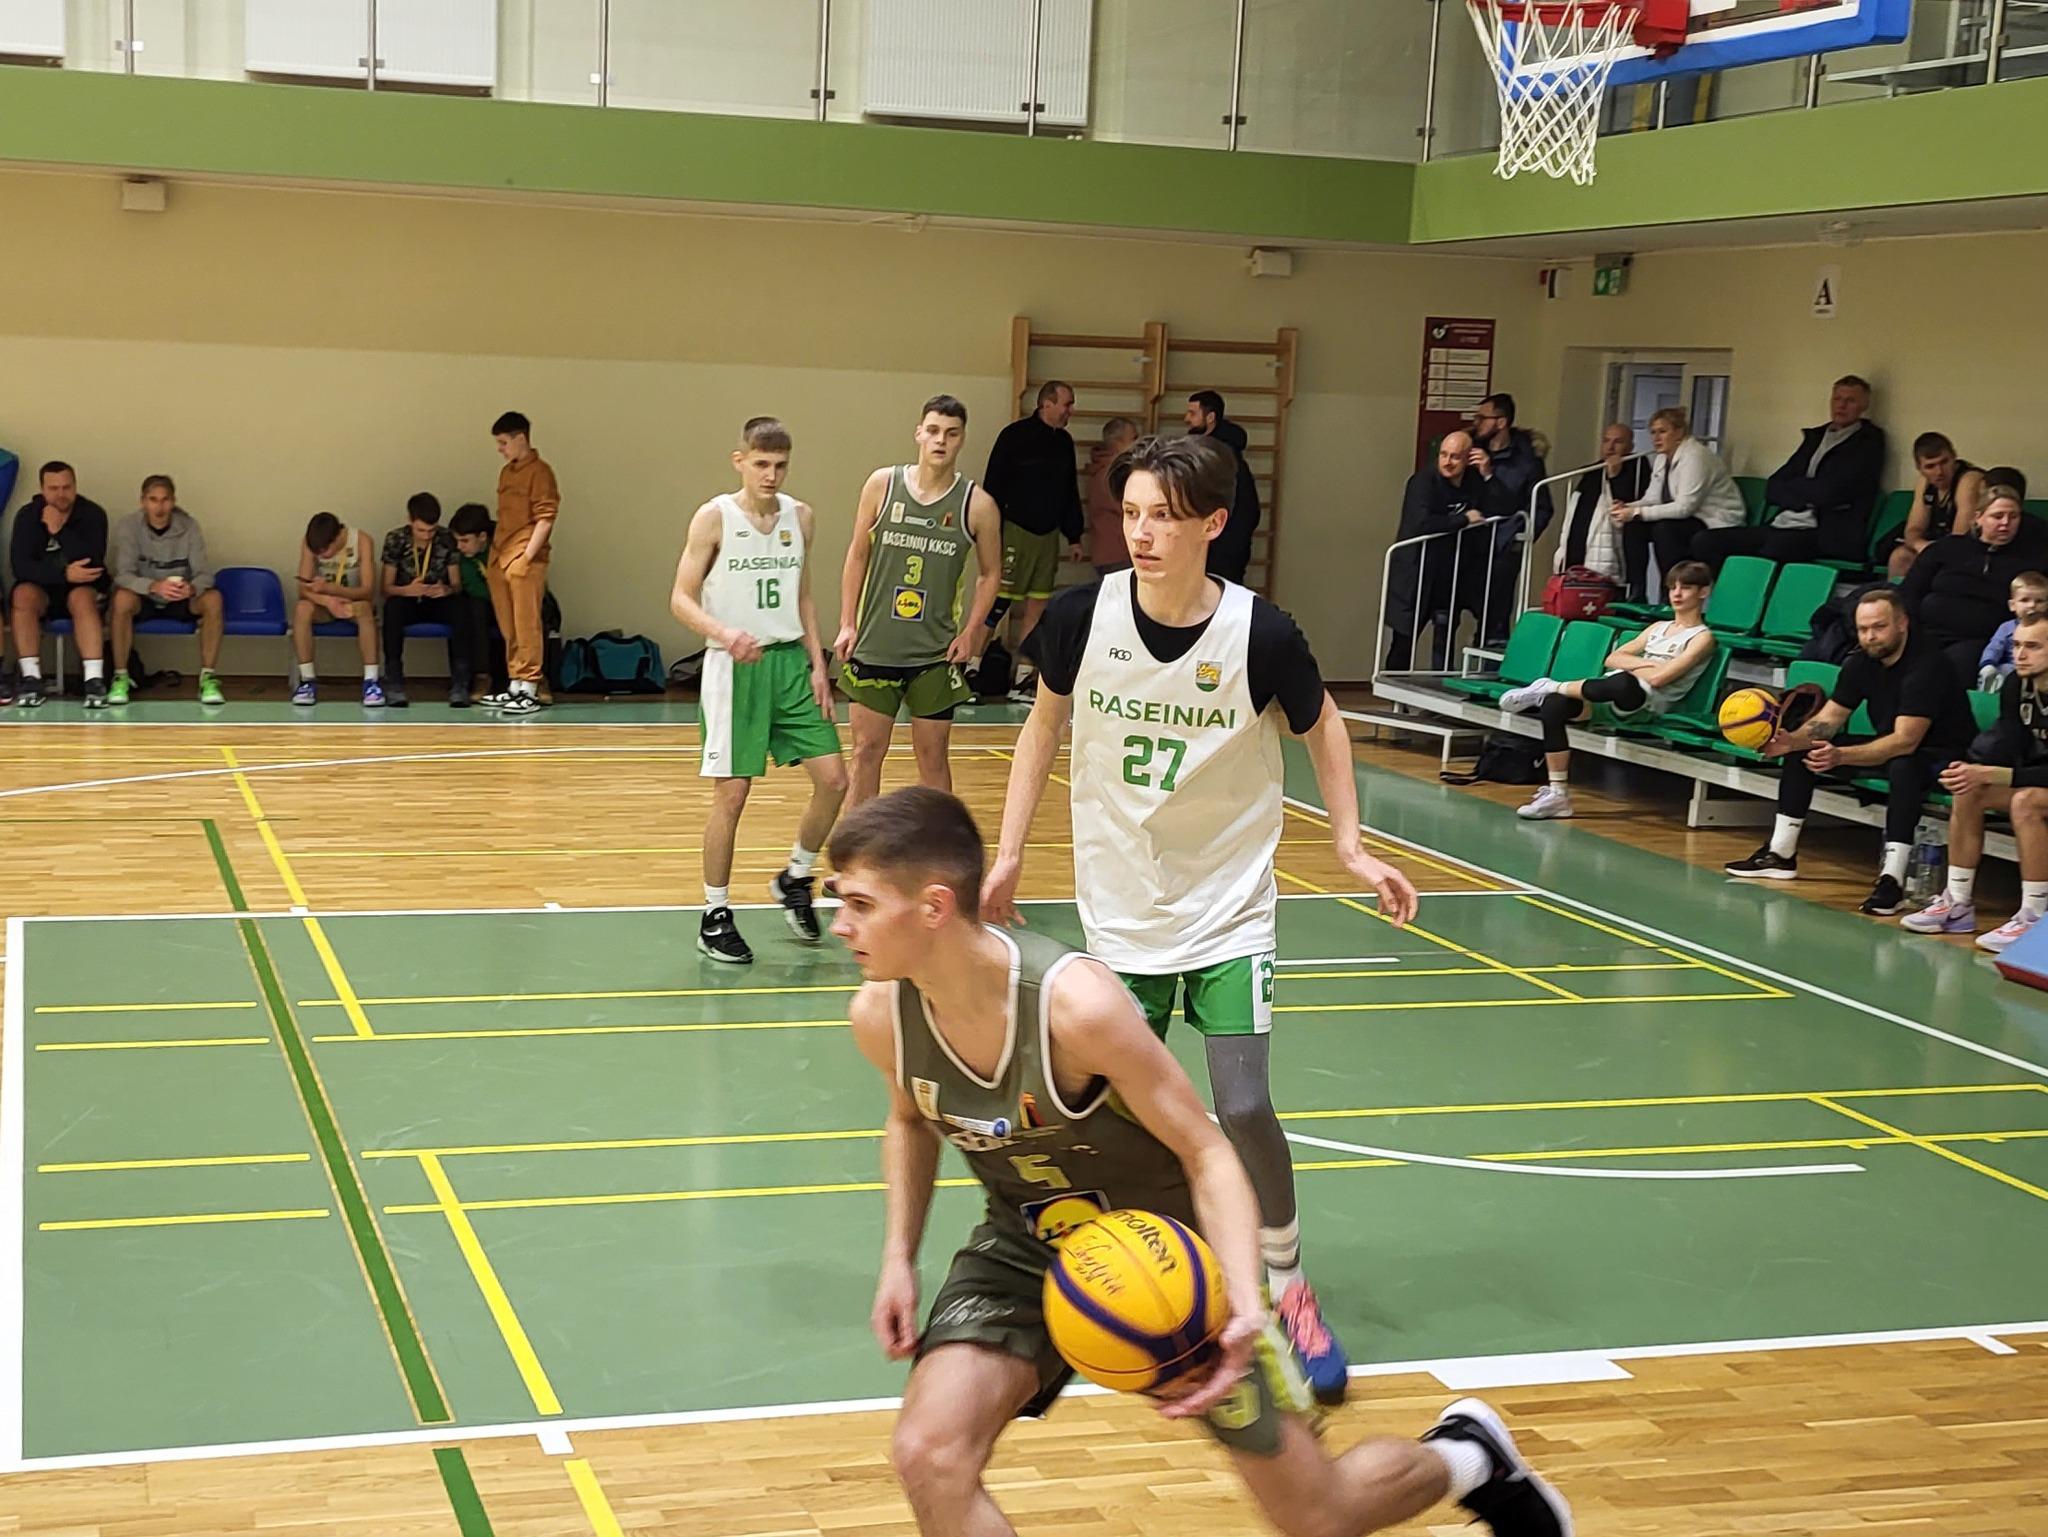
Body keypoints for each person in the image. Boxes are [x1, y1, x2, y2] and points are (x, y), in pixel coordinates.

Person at [833, 787, 1571, 1537]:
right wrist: (898, 1259)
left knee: (1319, 1516)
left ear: (933, 905)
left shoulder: (1075, 1007)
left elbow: (1206, 1149)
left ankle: (1469, 1457)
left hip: (1175, 1259)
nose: (840, 924)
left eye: (860, 904)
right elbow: (909, 1120)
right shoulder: (881, 1015)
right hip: (1026, 1247)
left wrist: (1244, 1301)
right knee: (929, 1455)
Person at [983, 433, 1422, 1405]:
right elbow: (1042, 727)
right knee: (1111, 1111)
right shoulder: (1079, 617)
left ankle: (1287, 1282)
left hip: (1228, 904)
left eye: (1164, 517)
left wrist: (1349, 845)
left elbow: (1325, 726)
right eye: (1132, 514)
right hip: (1120, 907)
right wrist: (1008, 852)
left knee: (1243, 1104)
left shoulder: (1260, 635)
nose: (1141, 533)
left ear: (1213, 524)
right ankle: (1131, 1279)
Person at [669, 416, 849, 965]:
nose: (771, 475)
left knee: (835, 780)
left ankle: (795, 877)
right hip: (734, 666)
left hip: (791, 663)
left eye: (780, 465)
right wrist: (723, 633)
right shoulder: (714, 517)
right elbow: (680, 598)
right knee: (732, 795)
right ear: (740, 461)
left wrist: (818, 664)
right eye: (761, 463)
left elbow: (803, 595)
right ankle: (715, 914)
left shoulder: (801, 517)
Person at [1726, 587, 1973, 915]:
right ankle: (1780, 853)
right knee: (1806, 751)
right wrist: (1792, 741)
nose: (1870, 636)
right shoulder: (1861, 661)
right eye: (1863, 629)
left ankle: (1892, 879)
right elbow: (1830, 719)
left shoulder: (1928, 666)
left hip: (1942, 756)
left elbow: (1906, 741)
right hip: (1891, 744)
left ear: (1902, 623)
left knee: (1904, 766)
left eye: (1879, 627)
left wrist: (1841, 756)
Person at [833, 394, 1003, 809]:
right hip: (876, 644)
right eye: (933, 431)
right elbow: (858, 553)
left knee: (933, 756)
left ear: (962, 439)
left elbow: (990, 574)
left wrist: (972, 631)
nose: (941, 441)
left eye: (951, 433)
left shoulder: (978, 505)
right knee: (866, 752)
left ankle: (941, 843)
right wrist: (847, 622)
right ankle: (859, 846)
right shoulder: (882, 485)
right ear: (918, 434)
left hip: (935, 653)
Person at [1501, 561, 1718, 821]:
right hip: (1608, 693)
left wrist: (1638, 667)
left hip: (1644, 704)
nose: (1677, 594)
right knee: (1555, 705)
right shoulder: (1657, 628)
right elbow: (1613, 659)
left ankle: (1547, 686)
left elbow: (1660, 679)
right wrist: (1649, 664)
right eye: (1673, 587)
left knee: (1623, 682)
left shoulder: (1702, 637)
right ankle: (1558, 795)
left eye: (1686, 588)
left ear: (1704, 592)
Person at [1903, 613, 2048, 952]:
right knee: (1969, 790)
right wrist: (1971, 768)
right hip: (2037, 780)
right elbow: (2009, 739)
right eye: (2016, 645)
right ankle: (1957, 902)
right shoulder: (2017, 685)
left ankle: (2034, 915)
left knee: (2024, 801)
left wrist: (1994, 775)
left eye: (2033, 646)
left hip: (2037, 788)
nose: (2020, 655)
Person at [1695, 376, 1886, 569]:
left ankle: (1755, 589)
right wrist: (1805, 497)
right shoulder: (1816, 437)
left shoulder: (1868, 442)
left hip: (1826, 532)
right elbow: (1774, 486)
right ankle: (1721, 587)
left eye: (1850, 401)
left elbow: (1832, 491)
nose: (1841, 406)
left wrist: (1797, 490)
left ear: (1864, 406)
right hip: (1782, 523)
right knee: (1706, 541)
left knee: (1776, 549)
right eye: (1837, 399)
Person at [979, 382, 1084, 701]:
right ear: (1047, 403)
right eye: (1067, 404)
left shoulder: (1064, 443)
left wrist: (1074, 535)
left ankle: (1023, 677)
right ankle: (970, 668)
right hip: (1014, 531)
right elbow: (992, 486)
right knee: (998, 602)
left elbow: (1069, 491)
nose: (1070, 410)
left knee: (1038, 605)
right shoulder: (1014, 436)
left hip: (1047, 535)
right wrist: (990, 533)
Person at [1385, 431, 1515, 670]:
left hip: (1452, 574)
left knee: (1445, 639)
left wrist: (1488, 475)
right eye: (1443, 455)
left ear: (1468, 458)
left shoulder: (1474, 481)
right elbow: (1421, 523)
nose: (1447, 462)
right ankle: (1392, 690)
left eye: (1455, 457)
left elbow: (1504, 509)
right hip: (1417, 572)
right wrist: (1463, 519)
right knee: (1403, 641)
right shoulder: (1423, 482)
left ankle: (1440, 686)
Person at [1898, 485, 2048, 684]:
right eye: (1997, 516)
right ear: (1979, 517)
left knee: (1945, 672)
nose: (2006, 522)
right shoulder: (1946, 548)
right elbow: (1909, 593)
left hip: (1980, 641)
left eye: (2013, 516)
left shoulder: (2033, 561)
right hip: (1924, 631)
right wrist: (1911, 631)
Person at [108, 473, 225, 706]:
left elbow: (205, 574)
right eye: (153, 500)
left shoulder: (189, 526)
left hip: (180, 597)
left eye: (165, 500)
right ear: (143, 501)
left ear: (173, 501)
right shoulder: (129, 526)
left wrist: (191, 588)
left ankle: (208, 678)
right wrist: (153, 586)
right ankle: (120, 677)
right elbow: (123, 575)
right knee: (121, 600)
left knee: (213, 599)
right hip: (145, 596)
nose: (159, 507)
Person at [1616, 407, 1744, 604]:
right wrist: (1627, 508)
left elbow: (1685, 507)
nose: (1656, 438)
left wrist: (1638, 512)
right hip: (1690, 519)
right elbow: (1652, 498)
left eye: (1662, 431)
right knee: (1634, 526)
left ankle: (1668, 591)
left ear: (1679, 432)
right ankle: (1637, 590)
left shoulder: (1695, 456)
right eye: (1653, 432)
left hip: (1716, 521)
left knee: (1665, 529)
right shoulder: (1662, 458)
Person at [10, 461, 109, 708]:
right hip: (42, 590)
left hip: (82, 589)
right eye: (53, 488)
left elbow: (92, 564)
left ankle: (94, 680)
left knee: (82, 598)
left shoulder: (92, 514)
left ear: (75, 486)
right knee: (22, 595)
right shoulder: (27, 516)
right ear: (42, 489)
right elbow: (21, 567)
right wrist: (64, 574)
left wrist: (59, 530)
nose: (61, 494)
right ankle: (31, 679)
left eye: (66, 487)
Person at [488, 410, 558, 715]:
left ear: (521, 438)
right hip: (500, 553)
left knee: (527, 623)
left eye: (504, 442)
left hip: (524, 555)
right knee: (509, 625)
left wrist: (527, 556)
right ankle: (515, 683)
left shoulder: (541, 472)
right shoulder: (507, 472)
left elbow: (546, 517)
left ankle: (530, 685)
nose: (500, 449)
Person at [1467, 393, 1552, 642]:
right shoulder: (1469, 449)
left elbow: (1542, 507)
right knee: (1451, 607)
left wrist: (1519, 539)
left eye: (1482, 418)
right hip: (1468, 541)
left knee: (1495, 614)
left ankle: (1490, 656)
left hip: (1503, 546)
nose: (1476, 423)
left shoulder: (1526, 461)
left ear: (1501, 422)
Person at [380, 492, 470, 708]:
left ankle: (460, 683)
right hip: (407, 600)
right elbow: (386, 588)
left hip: (437, 600)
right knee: (392, 609)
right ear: (410, 521)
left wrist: (446, 589)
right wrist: (407, 590)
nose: (427, 536)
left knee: (461, 607)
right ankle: (394, 681)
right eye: (421, 530)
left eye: (431, 530)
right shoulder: (396, 539)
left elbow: (457, 584)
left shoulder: (447, 538)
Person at [292, 512, 382, 707]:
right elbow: (303, 589)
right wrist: (328, 601)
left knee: (365, 610)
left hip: (353, 601)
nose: (321, 556)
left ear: (337, 537)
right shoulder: (310, 542)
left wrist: (333, 590)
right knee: (302, 608)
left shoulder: (362, 541)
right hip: (324, 604)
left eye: (325, 551)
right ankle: (307, 681)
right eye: (317, 552)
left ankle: (371, 682)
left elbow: (368, 591)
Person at [1555, 423, 1650, 587]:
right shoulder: (1593, 470)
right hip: (1582, 544)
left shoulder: (1639, 466)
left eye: (1618, 442)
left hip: (1624, 546)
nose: (1610, 447)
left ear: (1630, 446)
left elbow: (1627, 504)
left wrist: (1614, 475)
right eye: (1606, 441)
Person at [1185, 390, 1262, 583]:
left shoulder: (1221, 458)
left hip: (1223, 548)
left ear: (1210, 417)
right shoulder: (1207, 453)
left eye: (1193, 413)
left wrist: (1224, 543)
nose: (1187, 419)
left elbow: (1245, 509)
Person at [1889, 432, 1987, 580]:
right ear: (1919, 468)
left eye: (1944, 462)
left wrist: (1932, 551)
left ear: (1954, 457)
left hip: (1972, 550)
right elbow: (1913, 529)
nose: (1939, 472)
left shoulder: (1969, 480)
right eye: (1930, 466)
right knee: (1900, 557)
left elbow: (1960, 538)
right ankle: (1895, 595)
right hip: (1939, 545)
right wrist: (1920, 545)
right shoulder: (1924, 483)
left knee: (1946, 562)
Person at [448, 503, 508, 701]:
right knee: (475, 607)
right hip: (487, 603)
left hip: (511, 600)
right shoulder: (463, 557)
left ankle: (534, 677)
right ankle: (482, 676)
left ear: (482, 537)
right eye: (457, 540)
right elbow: (474, 588)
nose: (459, 546)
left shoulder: (503, 546)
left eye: (465, 540)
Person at [1085, 416, 1140, 576]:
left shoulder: (1103, 469)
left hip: (1109, 551)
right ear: (1118, 442)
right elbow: (1127, 508)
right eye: (1134, 438)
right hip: (1118, 553)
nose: (1138, 443)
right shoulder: (1113, 473)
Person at [1977, 572, 2048, 690]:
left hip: (2040, 670)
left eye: (2039, 601)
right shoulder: (2006, 628)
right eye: (2025, 600)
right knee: (1999, 672)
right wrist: (1988, 664)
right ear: (2012, 605)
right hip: (2011, 669)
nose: (2032, 605)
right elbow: (1994, 648)